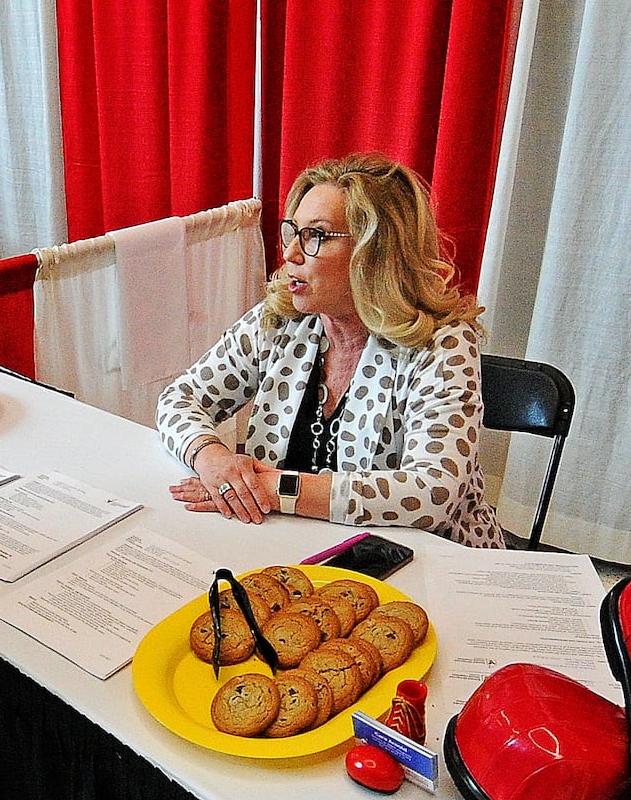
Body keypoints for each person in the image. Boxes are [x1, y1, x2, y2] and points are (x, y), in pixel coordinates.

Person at [156, 153, 505, 547]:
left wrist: (272, 489)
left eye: (316, 236)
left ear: (375, 253)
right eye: (293, 232)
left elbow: (431, 493)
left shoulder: (443, 344)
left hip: (433, 561)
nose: (290, 255)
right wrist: (212, 458)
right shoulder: (280, 318)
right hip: (297, 543)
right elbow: (179, 398)